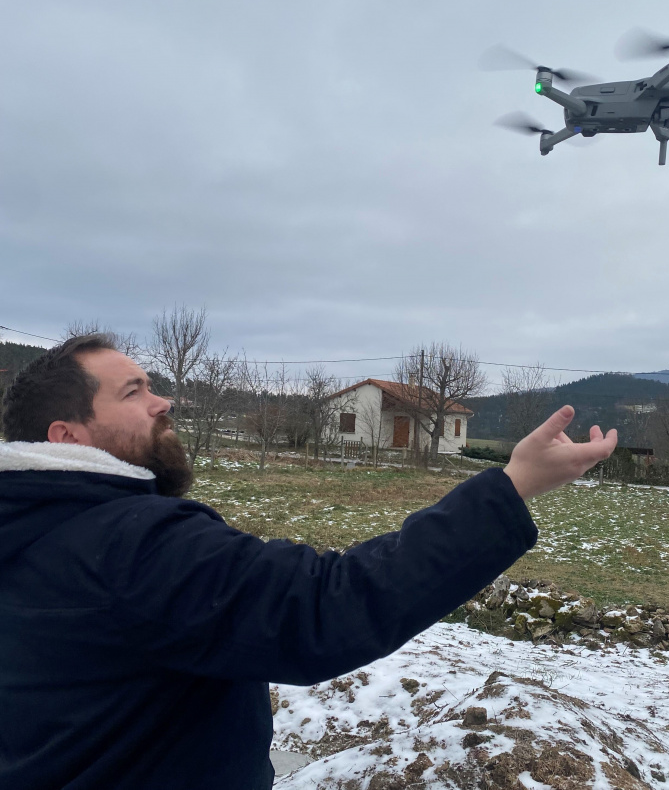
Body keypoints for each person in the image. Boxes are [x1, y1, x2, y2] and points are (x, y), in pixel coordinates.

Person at [0, 335, 617, 790]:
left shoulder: (28, 530)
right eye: (134, 392)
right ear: (67, 437)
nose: (163, 403)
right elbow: (326, 605)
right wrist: (511, 487)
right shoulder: (131, 545)